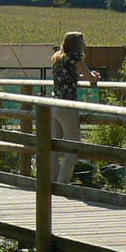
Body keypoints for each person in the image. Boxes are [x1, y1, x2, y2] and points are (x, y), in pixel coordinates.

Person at [49, 31, 100, 184]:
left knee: (54, 148)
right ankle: (62, 183)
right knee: (73, 147)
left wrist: (85, 76)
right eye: (83, 42)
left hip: (54, 104)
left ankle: (51, 182)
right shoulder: (74, 57)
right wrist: (94, 77)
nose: (85, 45)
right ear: (77, 44)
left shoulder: (58, 57)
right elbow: (90, 78)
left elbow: (68, 75)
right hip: (67, 106)